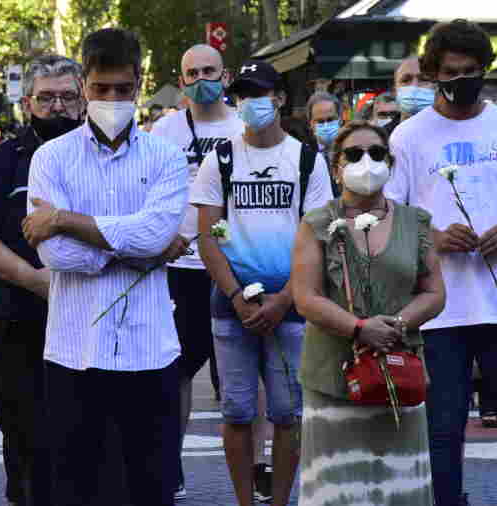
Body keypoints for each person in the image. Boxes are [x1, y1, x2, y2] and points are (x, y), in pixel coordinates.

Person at [384, 19, 497, 506]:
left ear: (485, 71)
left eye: (472, 71)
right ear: (434, 73)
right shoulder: (408, 137)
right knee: (440, 437)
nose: (462, 80)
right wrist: (433, 237)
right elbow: (389, 216)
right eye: (451, 72)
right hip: (438, 314)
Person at [21, 28, 188, 506]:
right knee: (75, 488)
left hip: (148, 347)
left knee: (150, 488)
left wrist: (64, 220)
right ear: (83, 85)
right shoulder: (51, 158)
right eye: (100, 89)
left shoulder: (166, 158)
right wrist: (141, 248)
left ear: (139, 83)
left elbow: (155, 234)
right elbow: (55, 255)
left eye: (122, 89)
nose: (112, 99)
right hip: (75, 350)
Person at [193, 58, 334, 506]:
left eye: (262, 94)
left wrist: (285, 299)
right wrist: (236, 296)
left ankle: (278, 502)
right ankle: (244, 501)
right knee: (236, 411)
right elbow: (206, 236)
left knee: (288, 413)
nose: (253, 103)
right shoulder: (221, 159)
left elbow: (319, 240)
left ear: (280, 98)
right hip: (232, 307)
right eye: (245, 95)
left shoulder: (306, 160)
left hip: (292, 306)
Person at [292, 121, 446, 505]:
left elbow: (434, 292)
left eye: (376, 153)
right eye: (354, 154)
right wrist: (359, 328)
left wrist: (396, 324)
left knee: (398, 490)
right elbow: (305, 297)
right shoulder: (317, 224)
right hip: (333, 379)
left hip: (399, 373)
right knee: (338, 491)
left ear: (390, 164)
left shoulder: (417, 222)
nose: (367, 161)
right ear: (335, 166)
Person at [0, 55, 85, 506]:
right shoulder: (5, 159)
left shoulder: (100, 156)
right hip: (19, 318)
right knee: (24, 435)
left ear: (82, 98)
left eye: (67, 97)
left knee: (80, 436)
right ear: (27, 102)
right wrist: (36, 281)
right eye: (46, 97)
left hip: (86, 318)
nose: (57, 106)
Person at [149, 44, 243, 500]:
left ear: (225, 77)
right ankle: (171, 462)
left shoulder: (246, 126)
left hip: (233, 264)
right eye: (192, 72)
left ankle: (253, 468)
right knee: (177, 369)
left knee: (242, 374)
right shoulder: (163, 131)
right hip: (178, 265)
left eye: (210, 70)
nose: (201, 78)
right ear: (180, 78)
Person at [394, 56, 436, 122]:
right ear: (395, 90)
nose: (414, 86)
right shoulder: (382, 132)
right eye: (405, 80)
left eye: (424, 79)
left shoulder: (455, 130)